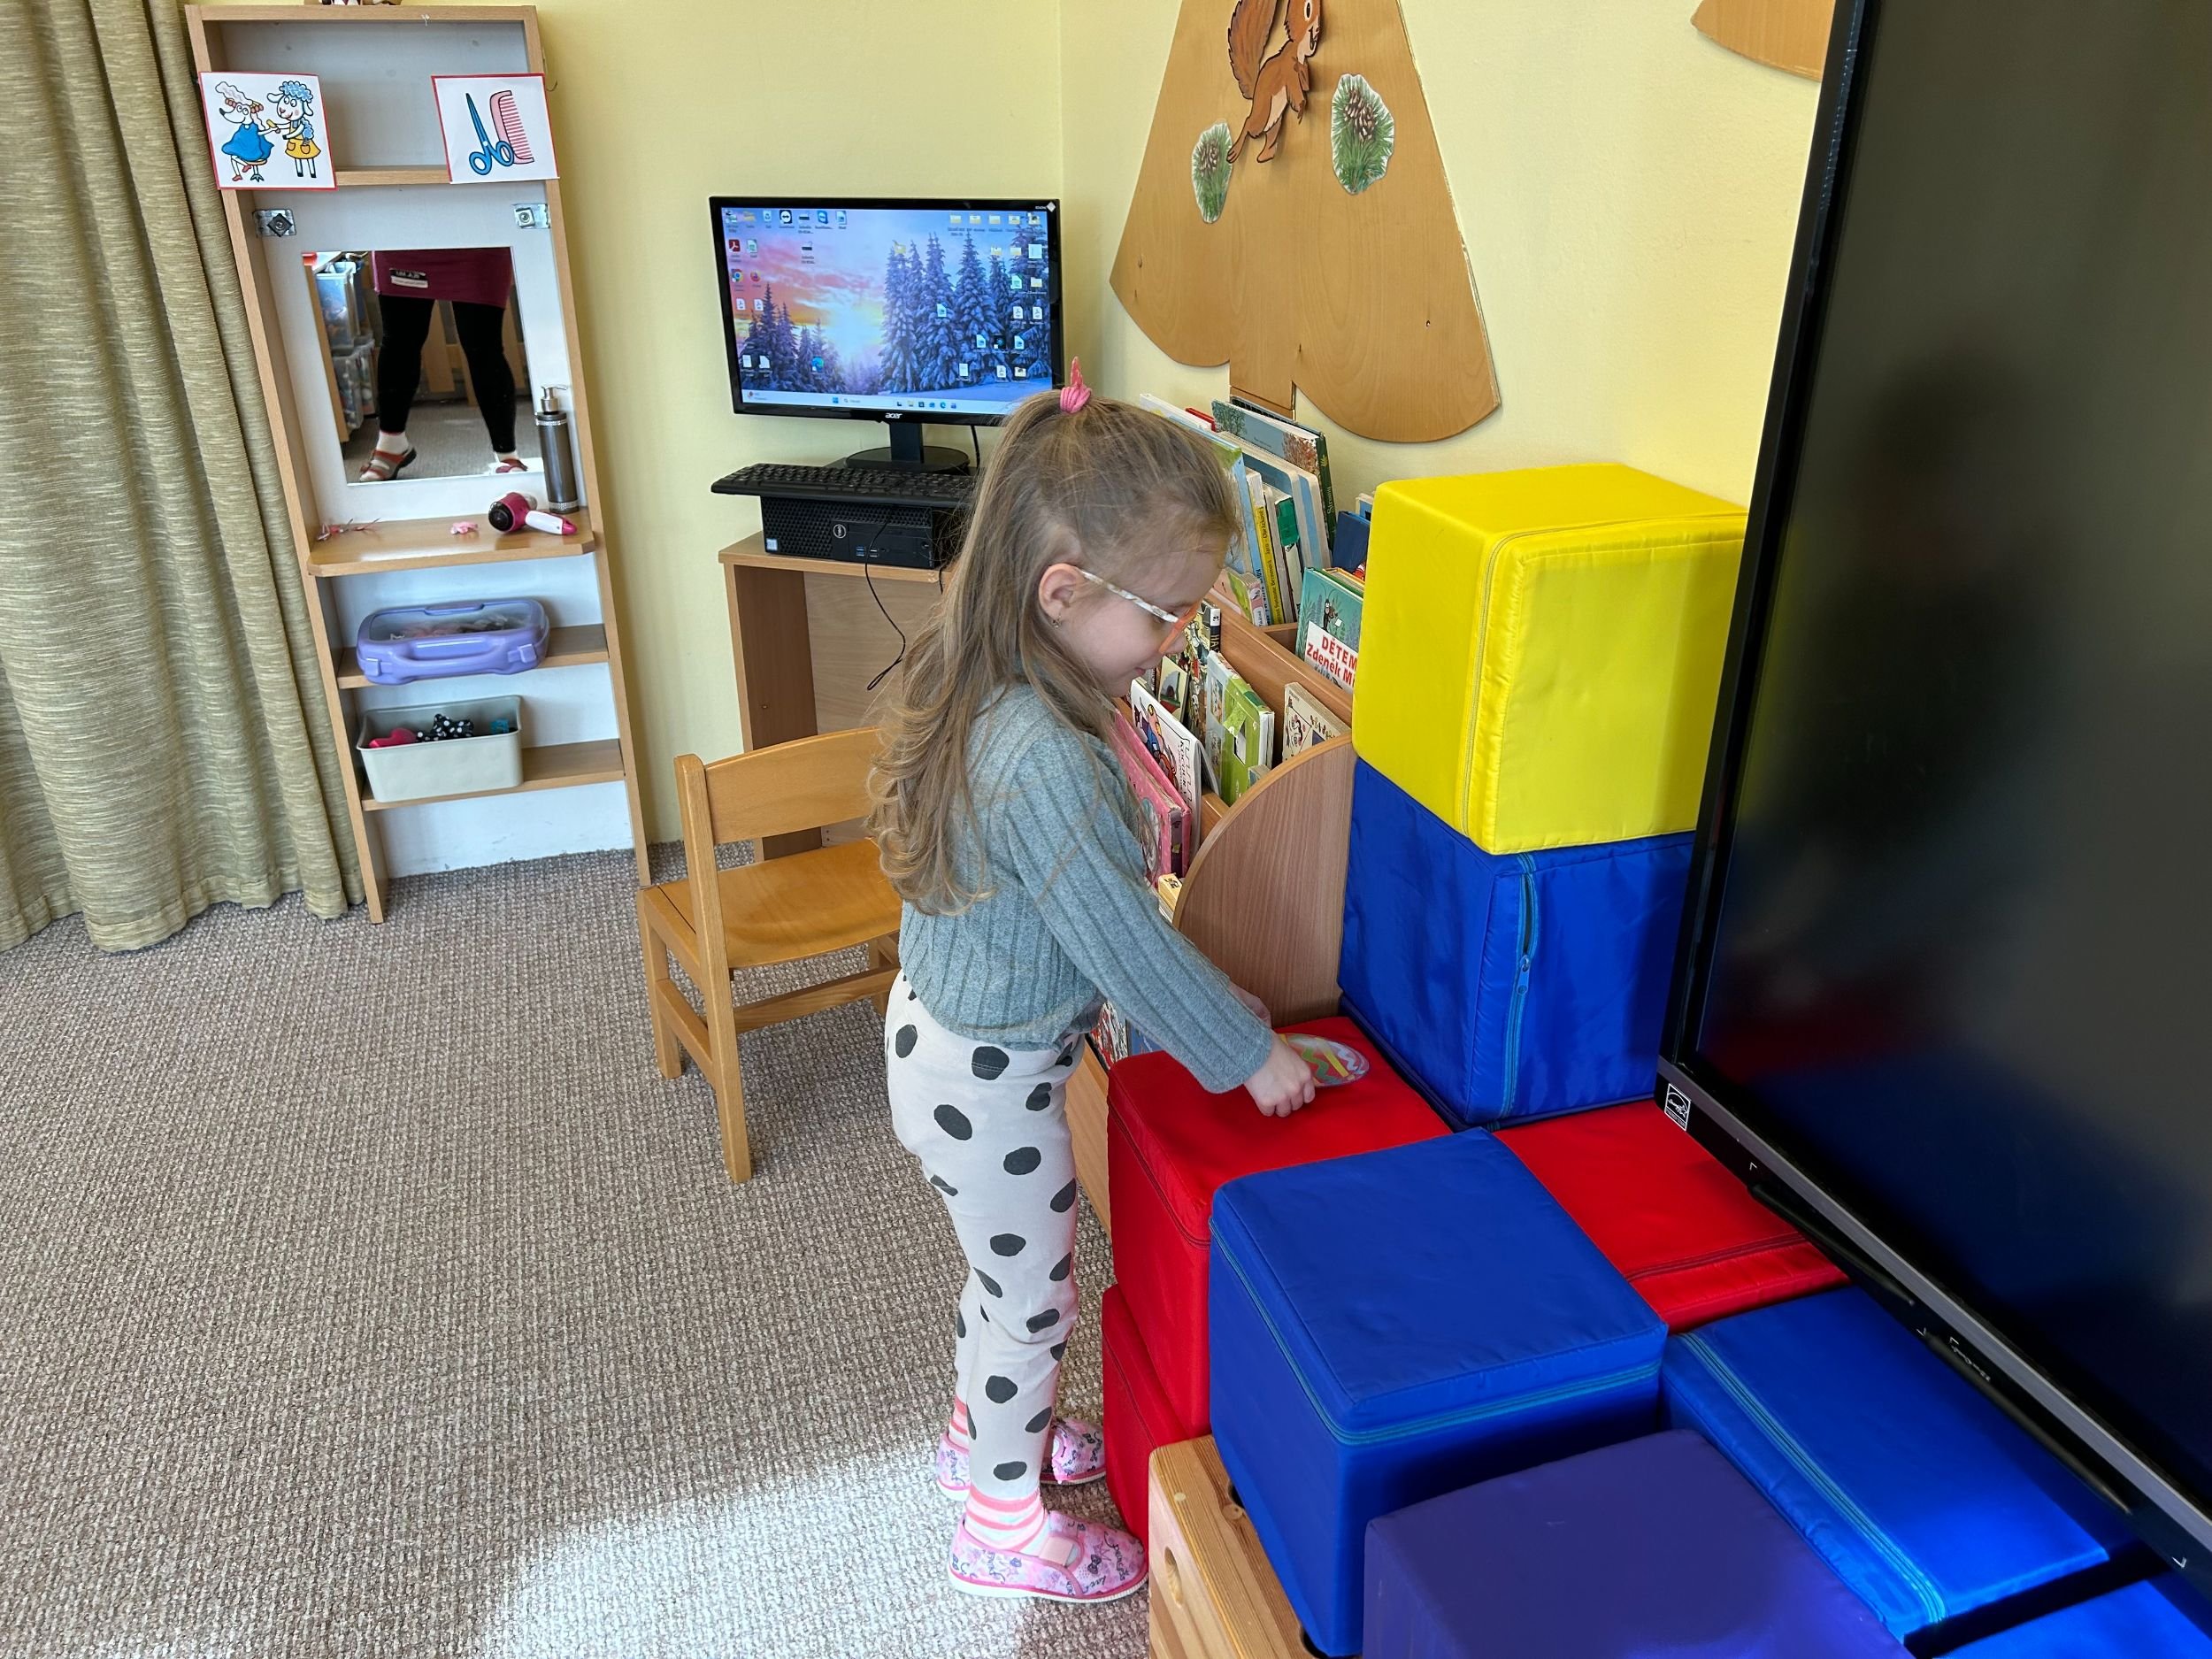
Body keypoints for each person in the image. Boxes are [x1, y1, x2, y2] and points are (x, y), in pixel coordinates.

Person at [868, 363, 1316, 1605]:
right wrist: (1248, 1051)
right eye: (1167, 617)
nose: (1175, 643)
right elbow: (1124, 945)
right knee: (1033, 1302)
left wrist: (1223, 1012)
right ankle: (1000, 1523)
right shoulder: (1045, 760)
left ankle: (977, 1438)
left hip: (946, 1047)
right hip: (991, 1083)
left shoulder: (1008, 678)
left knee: (1000, 1279)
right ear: (1062, 592)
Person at [357, 249, 525, 482]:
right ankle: (390, 444)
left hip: (475, 242)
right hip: (404, 242)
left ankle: (507, 456)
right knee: (400, 343)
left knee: (484, 347)